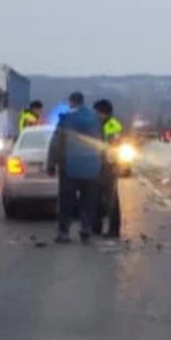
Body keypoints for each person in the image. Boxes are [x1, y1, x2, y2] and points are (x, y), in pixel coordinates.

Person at [46, 92, 102, 244]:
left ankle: (64, 232)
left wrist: (51, 164)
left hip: (70, 166)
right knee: (88, 200)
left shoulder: (66, 119)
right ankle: (86, 229)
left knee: (66, 201)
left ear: (71, 102)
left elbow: (56, 143)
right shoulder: (94, 119)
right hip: (91, 166)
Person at [93, 99, 122, 237]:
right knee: (96, 197)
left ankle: (113, 229)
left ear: (103, 113)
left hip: (110, 166)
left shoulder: (113, 126)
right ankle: (96, 226)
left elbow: (115, 144)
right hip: (97, 164)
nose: (95, 115)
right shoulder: (95, 124)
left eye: (97, 112)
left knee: (111, 198)